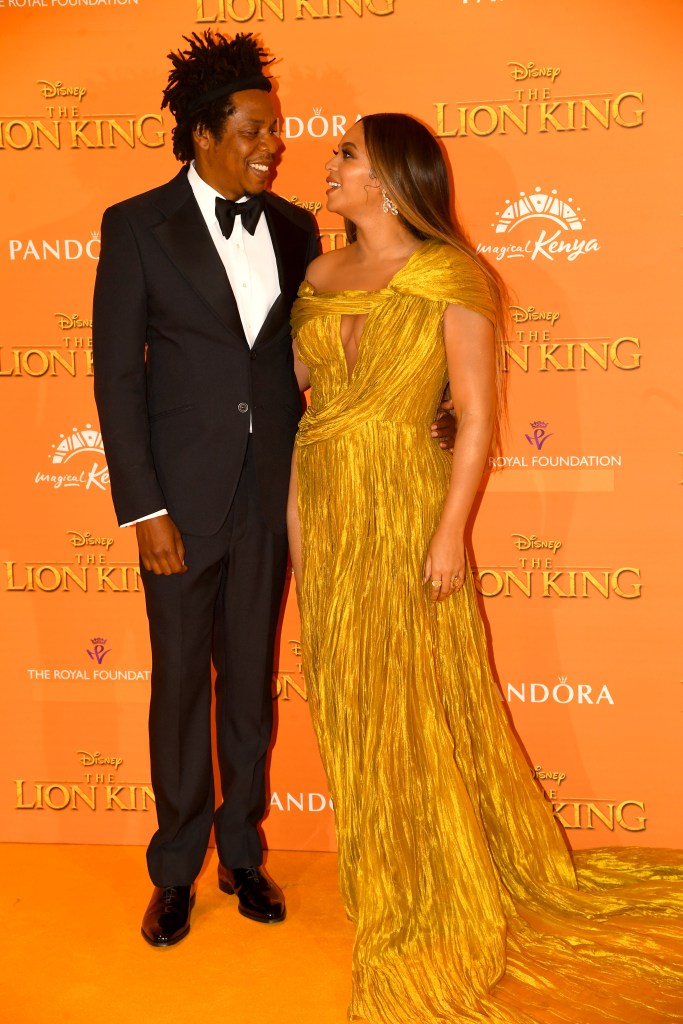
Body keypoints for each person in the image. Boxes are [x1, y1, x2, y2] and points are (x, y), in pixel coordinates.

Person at [287, 113, 683, 1023]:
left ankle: (440, 888)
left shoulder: (452, 276)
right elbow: (301, 411)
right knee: (350, 700)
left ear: (389, 180)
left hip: (408, 505)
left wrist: (448, 534)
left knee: (420, 699)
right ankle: (386, 874)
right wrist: (296, 531)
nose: (329, 163)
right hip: (325, 503)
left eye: (346, 153)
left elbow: (471, 416)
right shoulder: (316, 275)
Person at [93, 34, 453, 949]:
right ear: (203, 133)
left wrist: (434, 402)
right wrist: (143, 508)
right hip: (177, 504)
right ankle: (175, 871)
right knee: (181, 685)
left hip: (272, 495)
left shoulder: (296, 229)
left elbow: (358, 327)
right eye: (254, 130)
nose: (274, 145)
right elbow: (117, 378)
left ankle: (242, 854)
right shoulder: (135, 225)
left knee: (250, 685)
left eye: (277, 129)